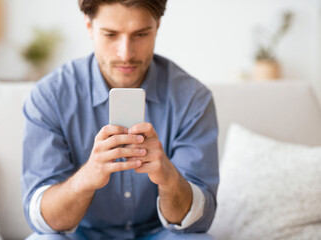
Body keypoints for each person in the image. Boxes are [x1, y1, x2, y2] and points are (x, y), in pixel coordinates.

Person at [21, 0, 219, 239]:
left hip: (160, 233)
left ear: (157, 27)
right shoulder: (50, 97)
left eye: (141, 34)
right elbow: (43, 220)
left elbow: (199, 221)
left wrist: (169, 178)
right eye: (110, 34)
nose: (125, 53)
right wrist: (86, 178)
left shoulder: (192, 99)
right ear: (89, 26)